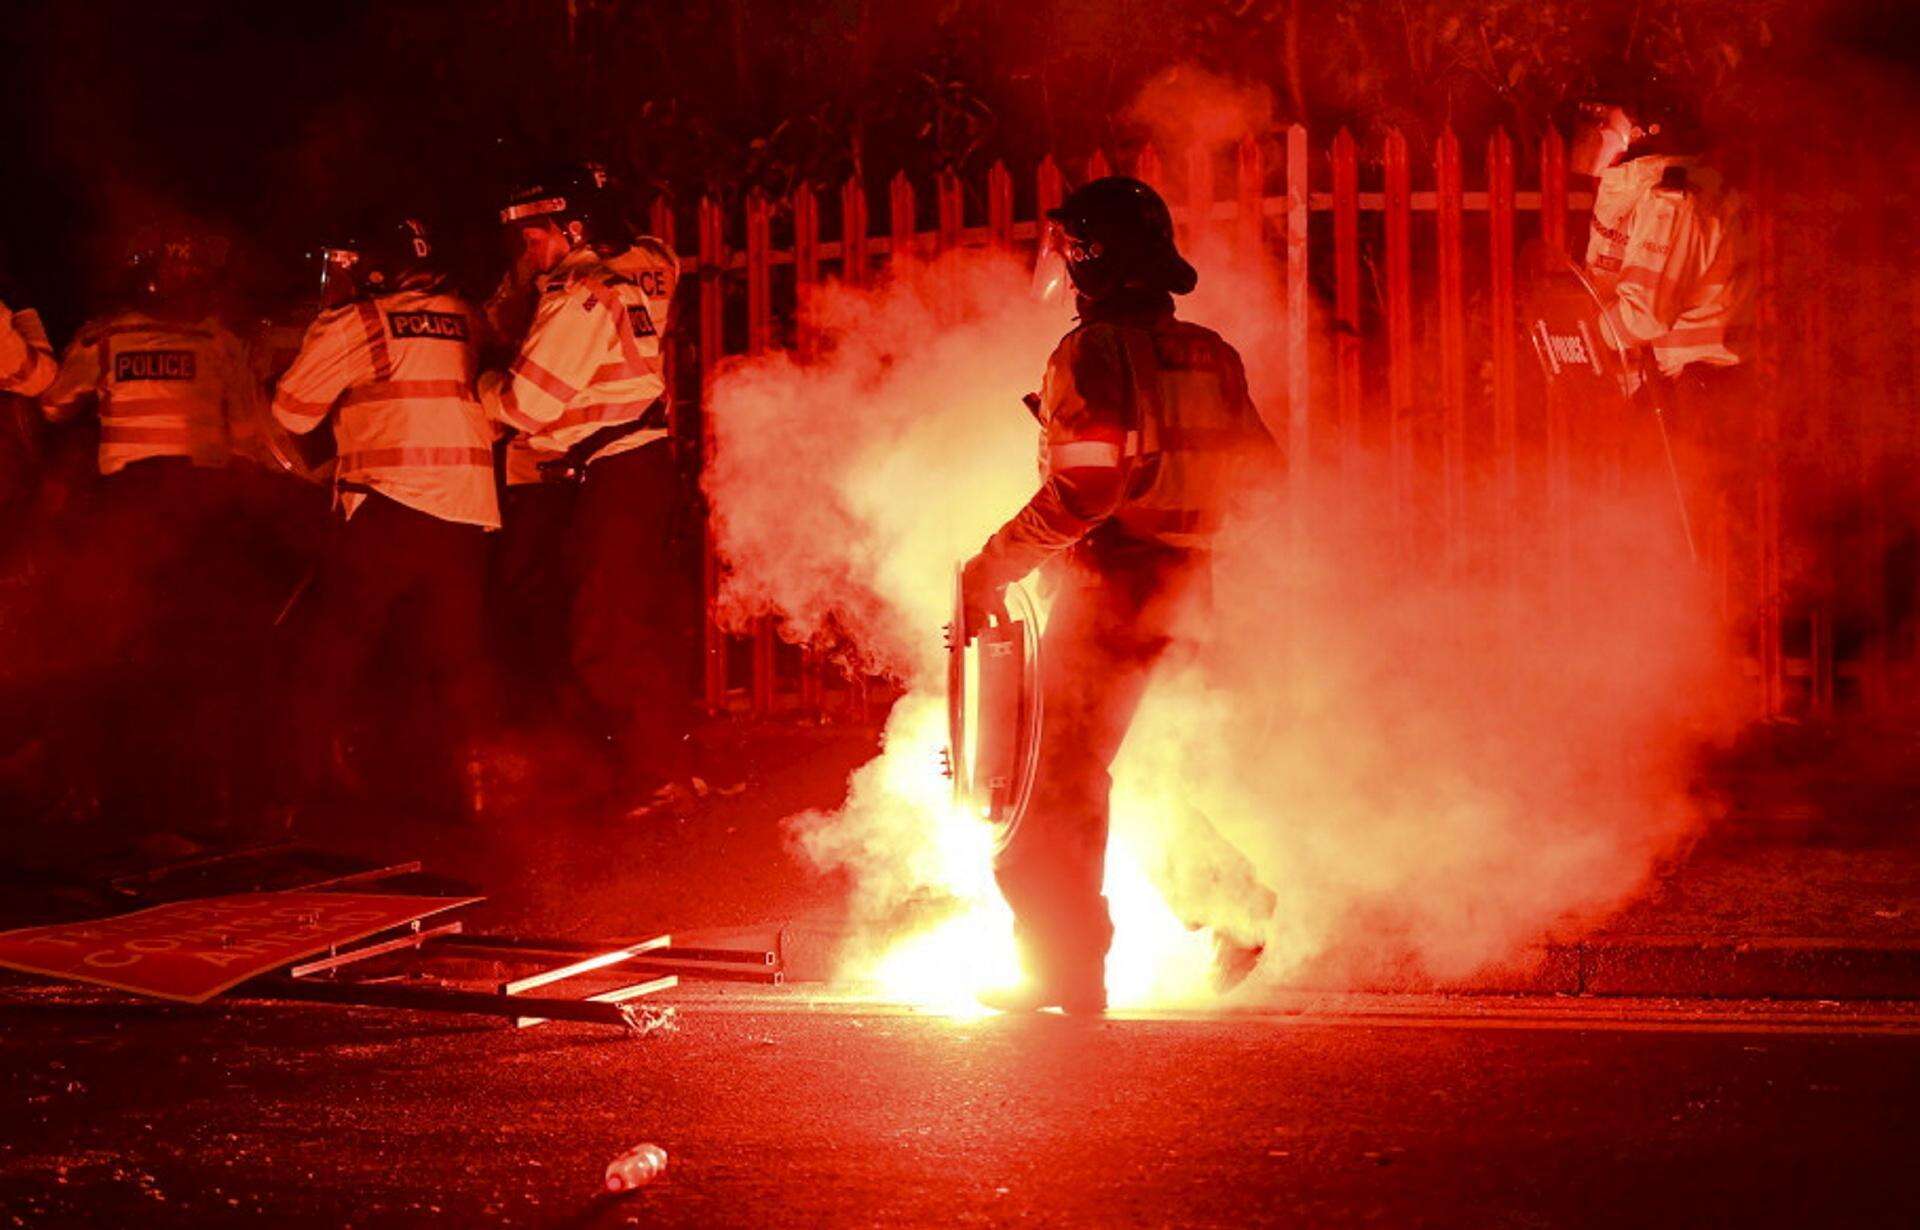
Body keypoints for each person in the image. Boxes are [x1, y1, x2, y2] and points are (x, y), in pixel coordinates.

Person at [959, 176, 1275, 1014]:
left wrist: (995, 562)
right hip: (1188, 582)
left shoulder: (1091, 354)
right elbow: (1263, 475)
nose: (1060, 269)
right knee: (1119, 766)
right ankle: (1230, 909)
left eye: (1068, 254)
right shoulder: (1211, 352)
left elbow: (1085, 491)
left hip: (1112, 584)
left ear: (1092, 263)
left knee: (1053, 780)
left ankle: (1063, 971)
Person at [479, 163, 694, 813]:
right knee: (621, 621)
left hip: (614, 471)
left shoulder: (578, 292)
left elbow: (525, 404)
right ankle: (647, 768)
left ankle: (657, 777)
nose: (529, 251)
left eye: (536, 237)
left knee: (603, 632)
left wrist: (479, 391)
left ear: (574, 229)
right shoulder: (641, 267)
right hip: (634, 466)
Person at [270, 214, 500, 817]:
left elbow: (291, 412)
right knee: (456, 657)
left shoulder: (361, 321)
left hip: (387, 506)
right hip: (466, 512)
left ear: (373, 269)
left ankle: (286, 800)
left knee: (331, 653)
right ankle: (477, 795)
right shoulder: (468, 315)